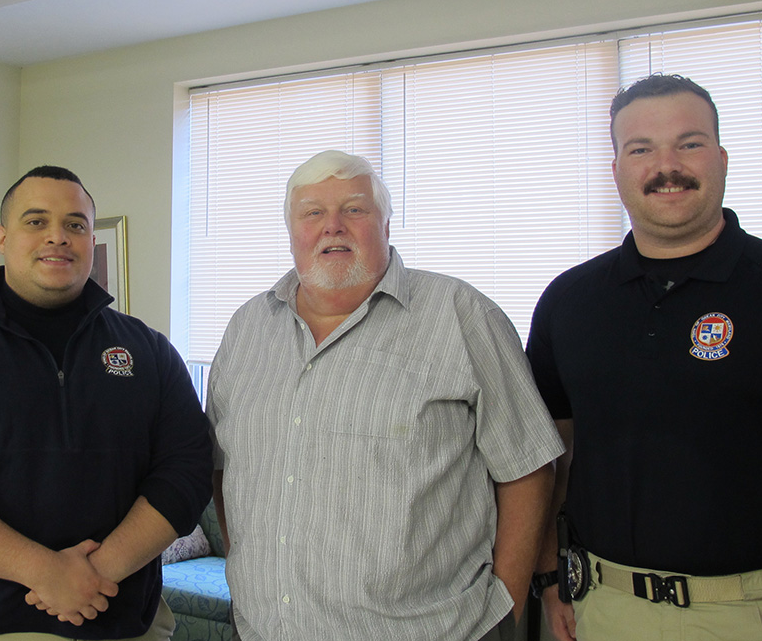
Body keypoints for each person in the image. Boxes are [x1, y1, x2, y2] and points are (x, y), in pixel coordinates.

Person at [526, 74, 762, 641]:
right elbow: (552, 463)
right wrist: (548, 579)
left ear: (722, 158)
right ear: (616, 170)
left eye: (689, 143)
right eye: (640, 149)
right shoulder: (569, 302)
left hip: (754, 614)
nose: (667, 166)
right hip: (601, 608)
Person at [207, 150, 565, 640]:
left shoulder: (460, 314)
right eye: (313, 213)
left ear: (387, 224)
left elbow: (527, 466)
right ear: (291, 230)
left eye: (354, 209)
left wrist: (505, 610)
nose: (333, 226)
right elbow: (226, 472)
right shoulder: (245, 330)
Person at [0, 165, 212, 640]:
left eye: (75, 224)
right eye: (36, 222)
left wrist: (97, 573)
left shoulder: (147, 350)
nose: (58, 237)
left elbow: (187, 473)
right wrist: (43, 572)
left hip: (127, 626)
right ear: (2, 237)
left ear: (91, 240)